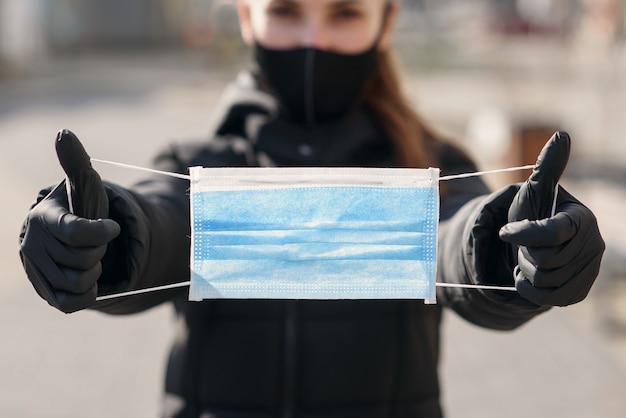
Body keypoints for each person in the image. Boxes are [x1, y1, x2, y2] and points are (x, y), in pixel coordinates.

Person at [18, 1, 605, 417]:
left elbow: (458, 248)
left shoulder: (427, 162)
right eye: (286, 10)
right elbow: (163, 231)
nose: (312, 40)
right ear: (246, 16)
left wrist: (518, 253)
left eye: (345, 13)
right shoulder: (200, 163)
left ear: (386, 20)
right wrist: (100, 241)